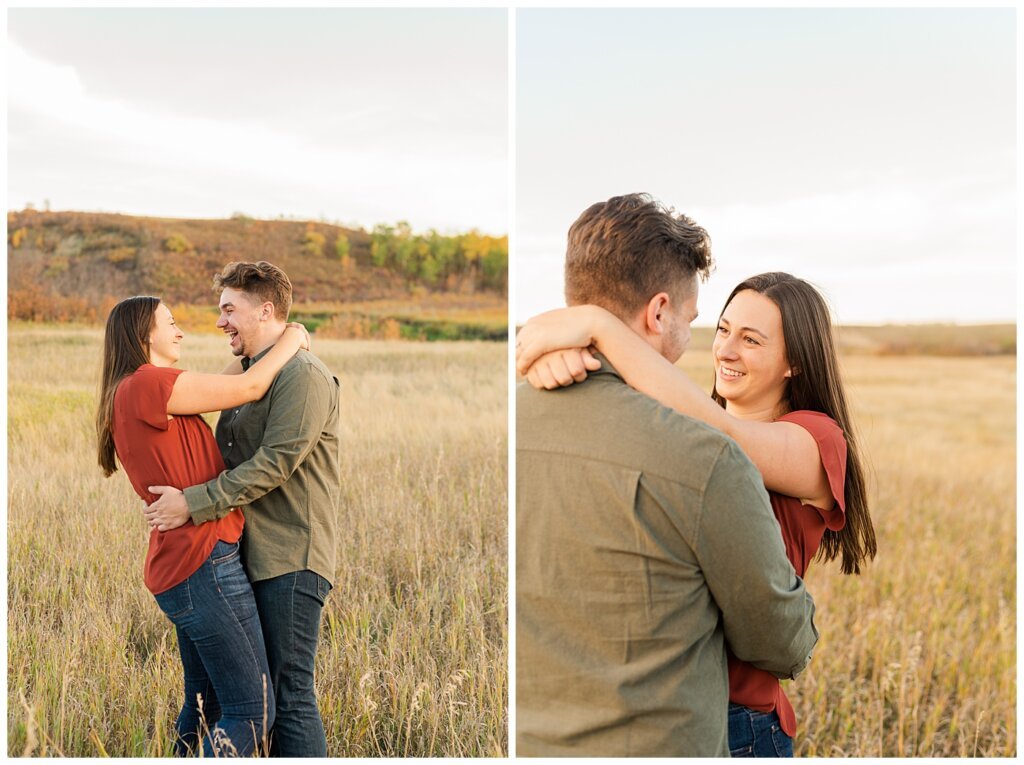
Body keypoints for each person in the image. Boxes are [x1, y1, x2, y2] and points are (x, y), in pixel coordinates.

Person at [516, 270, 878, 756]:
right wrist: (561, 357)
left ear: (795, 362)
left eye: (751, 340)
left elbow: (729, 440)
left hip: (739, 719)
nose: (726, 351)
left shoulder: (816, 439)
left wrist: (598, 325)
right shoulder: (689, 422)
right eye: (724, 330)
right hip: (664, 702)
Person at [142, 261, 341, 757]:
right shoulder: (252, 372)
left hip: (290, 556)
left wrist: (193, 503)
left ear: (265, 310)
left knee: (289, 696)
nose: (220, 321)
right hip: (241, 553)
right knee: (242, 698)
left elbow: (276, 464)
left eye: (229, 309)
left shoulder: (304, 376)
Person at [96, 295, 310, 756]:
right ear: (143, 334)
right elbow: (250, 388)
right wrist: (292, 338)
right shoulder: (147, 385)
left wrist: (265, 350)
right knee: (252, 712)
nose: (180, 332)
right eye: (170, 324)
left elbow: (226, 382)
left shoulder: (140, 387)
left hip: (186, 562)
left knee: (204, 704)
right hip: (203, 561)